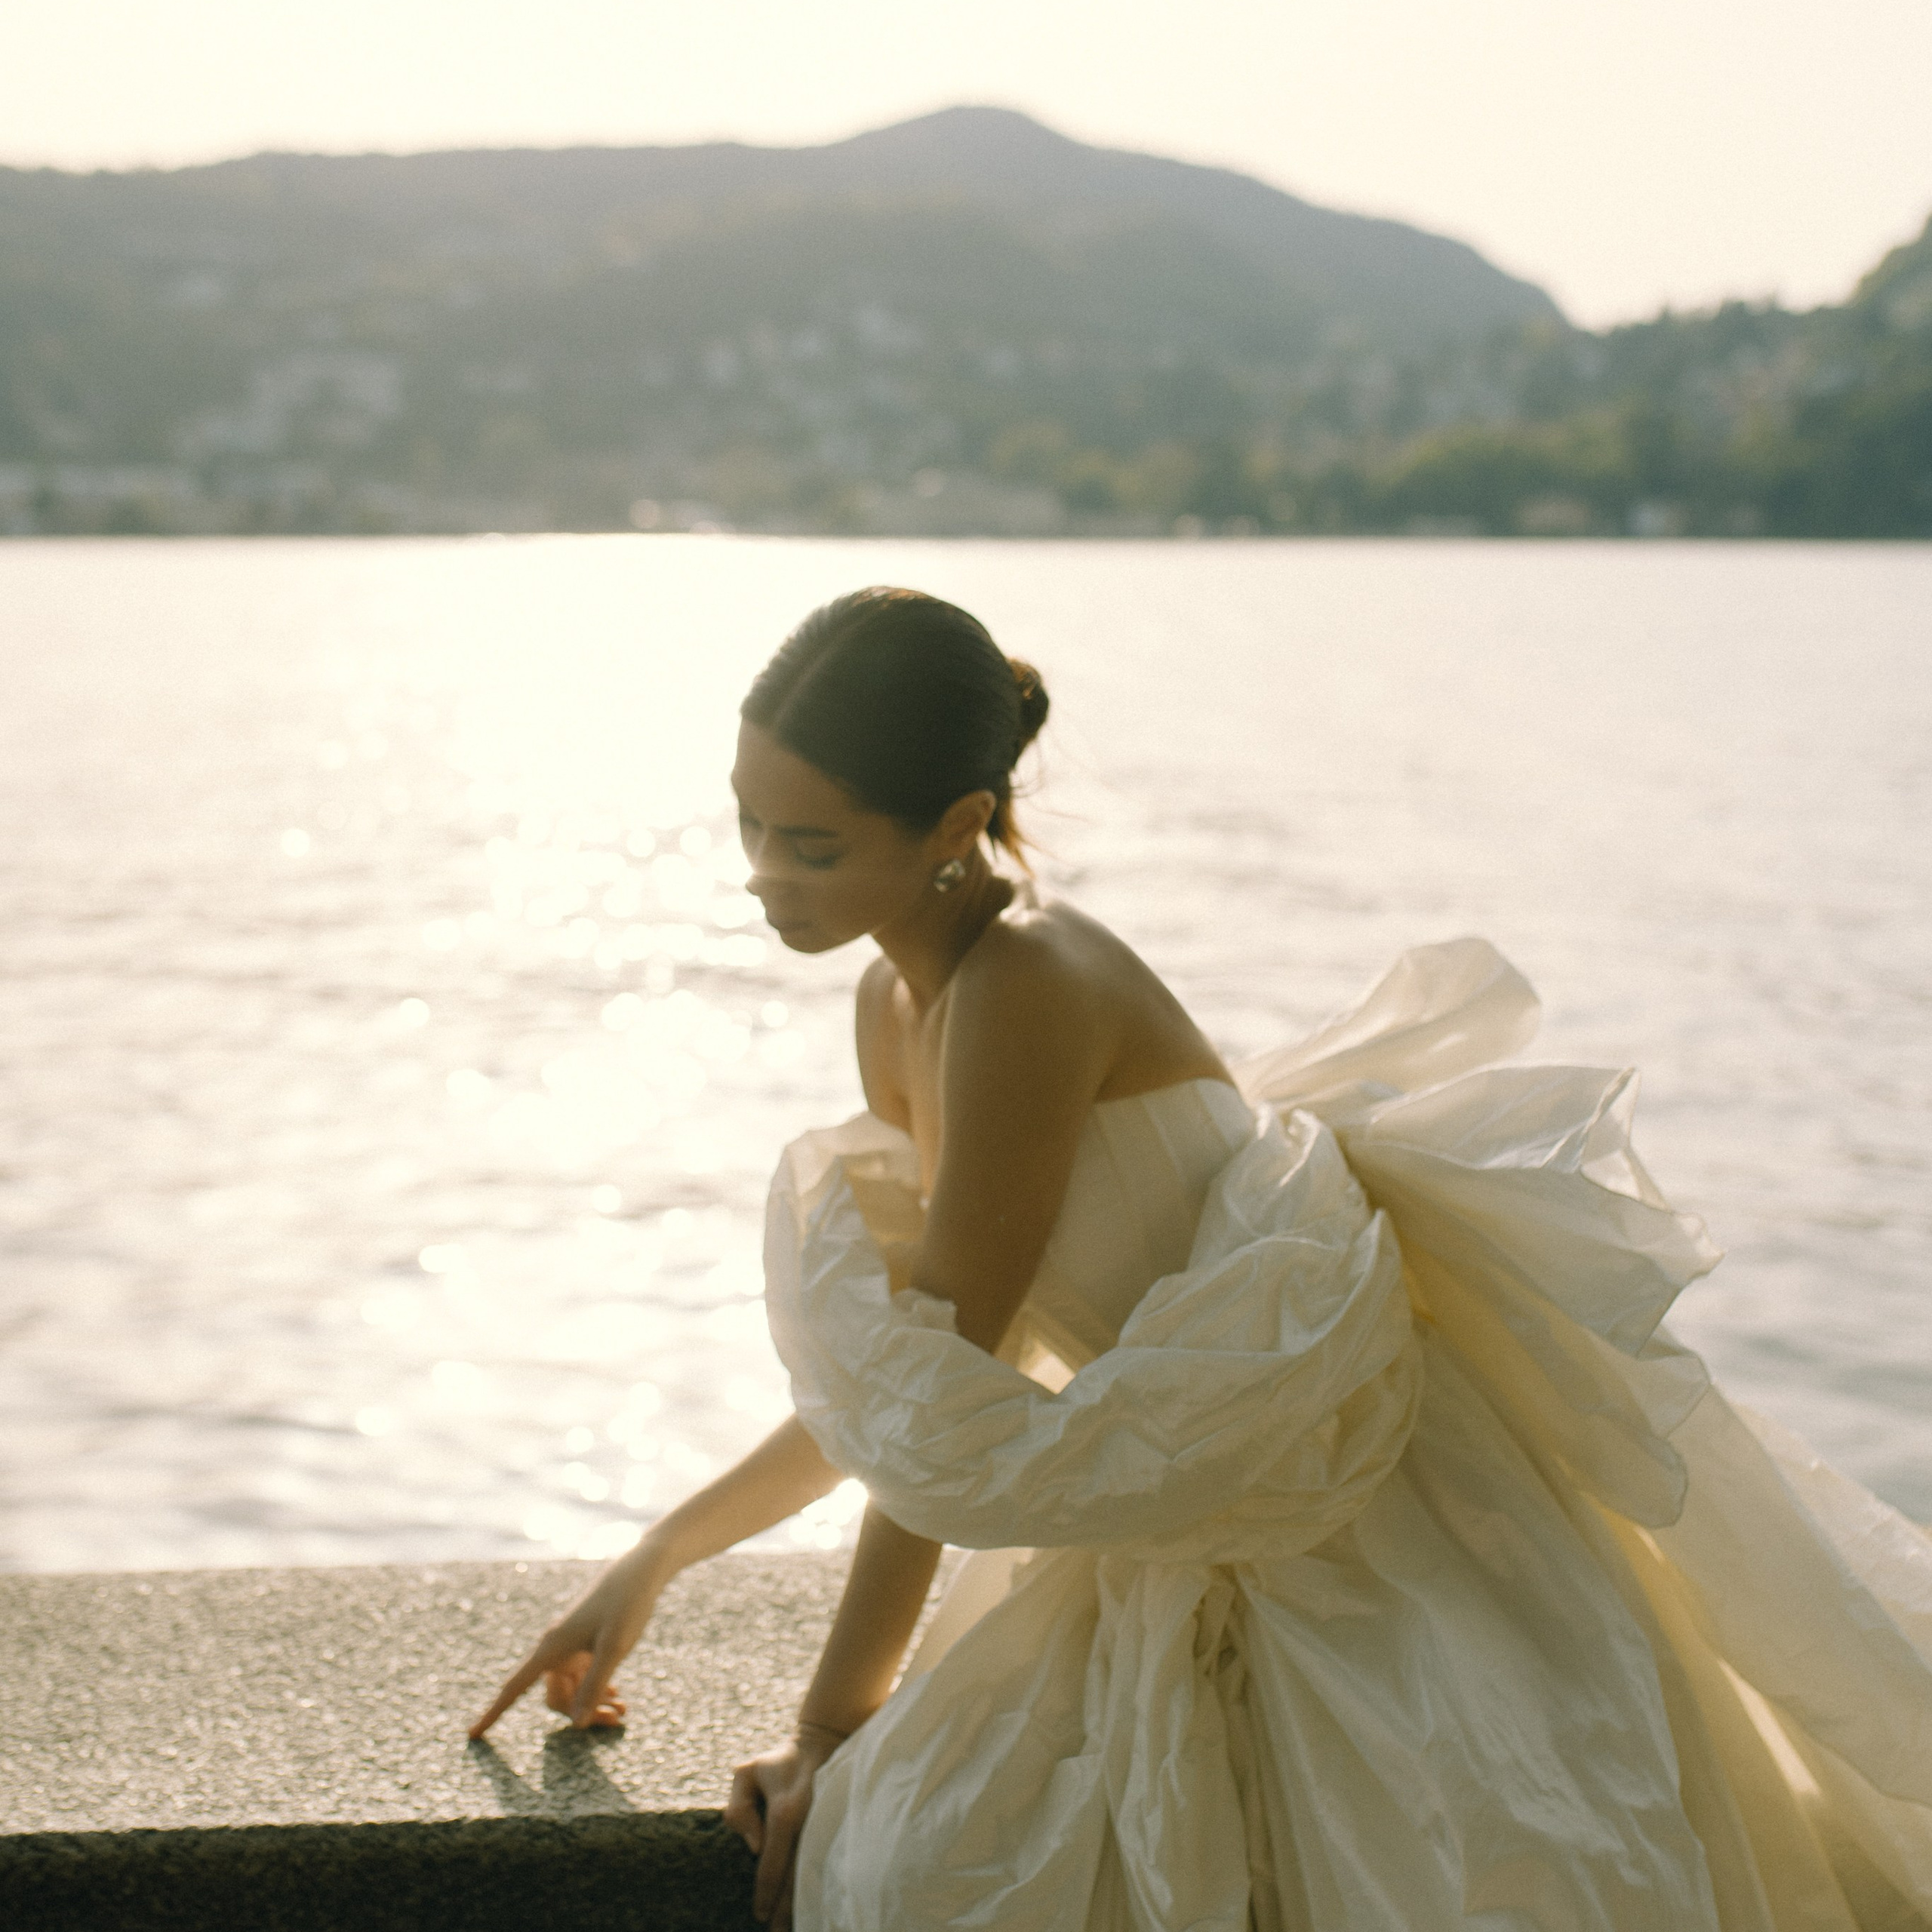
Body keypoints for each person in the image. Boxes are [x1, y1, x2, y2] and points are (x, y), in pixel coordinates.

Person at [472, 587, 1932, 1931]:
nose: (761, 880)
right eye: (746, 826)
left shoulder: (1027, 984)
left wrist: (831, 1737)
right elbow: (905, 1392)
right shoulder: (894, 999)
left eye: (811, 844)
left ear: (956, 822)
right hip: (1188, 1487)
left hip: (1358, 1505)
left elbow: (944, 1397)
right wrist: (659, 1554)